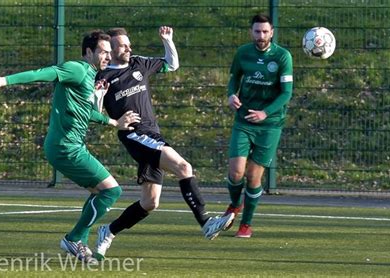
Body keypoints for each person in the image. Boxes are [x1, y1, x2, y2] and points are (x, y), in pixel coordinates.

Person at [0, 30, 141, 262]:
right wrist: (3, 81)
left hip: (70, 146)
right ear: (89, 52)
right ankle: (74, 239)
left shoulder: (89, 75)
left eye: (109, 52)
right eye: (103, 52)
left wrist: (113, 122)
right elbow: (44, 73)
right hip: (65, 148)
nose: (107, 56)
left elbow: (86, 111)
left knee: (99, 193)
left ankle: (77, 242)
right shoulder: (77, 69)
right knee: (112, 191)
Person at [93, 26, 234, 259]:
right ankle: (206, 222)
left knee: (149, 202)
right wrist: (107, 108)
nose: (129, 47)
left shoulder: (138, 63)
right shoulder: (103, 76)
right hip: (134, 135)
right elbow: (96, 113)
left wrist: (168, 40)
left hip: (151, 134)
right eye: (123, 45)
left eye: (129, 43)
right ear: (112, 49)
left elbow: (172, 64)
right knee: (184, 167)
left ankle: (108, 231)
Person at [224, 14, 293, 238]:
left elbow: (286, 93)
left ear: (271, 32)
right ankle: (235, 204)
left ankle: (246, 224)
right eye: (257, 31)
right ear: (251, 32)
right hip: (243, 120)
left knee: (253, 176)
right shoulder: (243, 53)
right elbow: (234, 78)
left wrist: (266, 112)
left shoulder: (283, 56)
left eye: (265, 32)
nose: (261, 36)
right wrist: (231, 94)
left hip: (270, 125)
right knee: (235, 173)